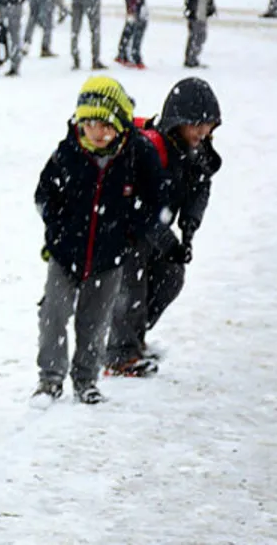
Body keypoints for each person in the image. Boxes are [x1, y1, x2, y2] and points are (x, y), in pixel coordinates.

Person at [32, 77, 169, 405]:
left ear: (121, 124)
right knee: (53, 313)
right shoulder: (68, 152)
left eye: (106, 125)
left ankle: (86, 380)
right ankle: (49, 379)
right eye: (89, 123)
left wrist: (130, 232)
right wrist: (57, 230)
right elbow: (44, 194)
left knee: (93, 323)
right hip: (65, 253)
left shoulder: (138, 155)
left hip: (109, 258)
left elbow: (156, 201)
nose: (96, 132)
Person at [106, 77, 221, 377]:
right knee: (132, 281)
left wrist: (189, 229)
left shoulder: (196, 153)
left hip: (155, 232)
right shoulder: (150, 149)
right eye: (196, 124)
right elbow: (139, 208)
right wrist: (166, 240)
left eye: (208, 125)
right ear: (177, 121)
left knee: (171, 276)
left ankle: (130, 338)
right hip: (124, 232)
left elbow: (199, 190)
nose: (203, 131)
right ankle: (119, 355)